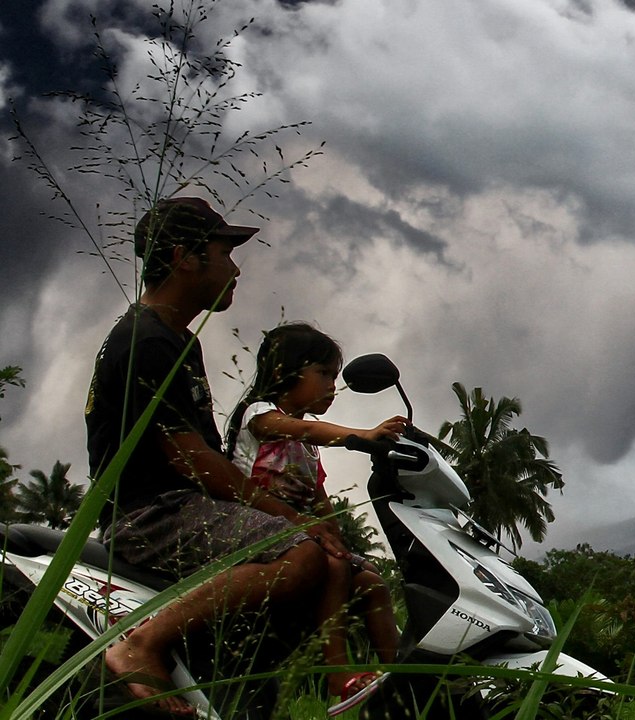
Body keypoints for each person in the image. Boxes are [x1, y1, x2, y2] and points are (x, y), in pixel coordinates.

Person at [85, 197, 354, 716]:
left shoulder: (176, 339)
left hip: (182, 509)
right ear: (186, 257)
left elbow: (208, 453)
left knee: (342, 571)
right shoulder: (146, 340)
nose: (235, 267)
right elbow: (193, 460)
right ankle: (139, 645)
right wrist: (289, 516)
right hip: (152, 514)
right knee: (300, 554)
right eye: (224, 252)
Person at [225, 322, 406, 698]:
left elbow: (318, 496)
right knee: (335, 563)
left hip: (299, 534)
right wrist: (360, 436)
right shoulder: (260, 415)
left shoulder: (307, 445)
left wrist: (337, 535)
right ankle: (337, 674)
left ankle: (404, 682)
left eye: (335, 376)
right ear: (284, 371)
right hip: (252, 527)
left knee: (372, 582)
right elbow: (301, 430)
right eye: (323, 373)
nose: (332, 386)